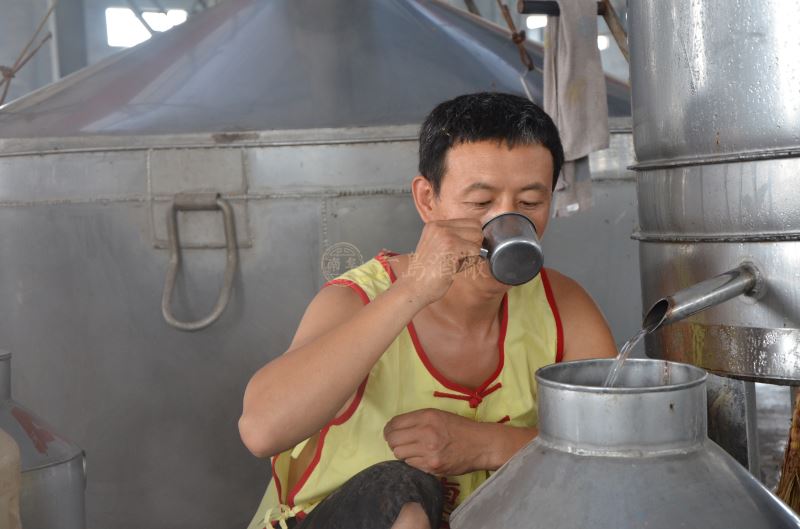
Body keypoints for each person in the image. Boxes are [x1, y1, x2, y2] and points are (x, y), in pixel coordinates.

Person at [239, 92, 618, 529]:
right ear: (427, 200)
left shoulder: (562, 307)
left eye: (530, 203)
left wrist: (490, 445)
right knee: (398, 489)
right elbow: (261, 430)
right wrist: (414, 289)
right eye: (480, 204)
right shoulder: (355, 300)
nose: (505, 222)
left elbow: (613, 452)